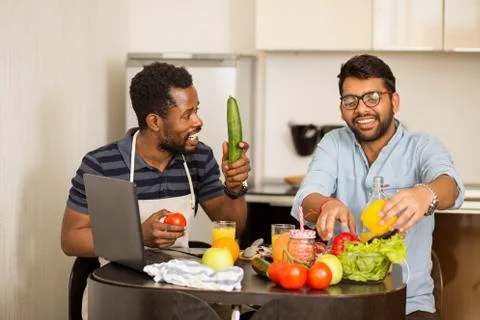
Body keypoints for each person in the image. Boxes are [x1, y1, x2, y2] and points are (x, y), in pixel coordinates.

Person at [290, 54, 464, 320]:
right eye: (350, 101)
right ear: (341, 108)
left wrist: (424, 194)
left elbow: (450, 187)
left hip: (409, 306)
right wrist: (326, 204)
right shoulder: (333, 143)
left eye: (372, 97)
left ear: (394, 101)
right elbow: (306, 197)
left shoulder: (422, 146)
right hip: (341, 303)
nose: (361, 109)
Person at [61, 61, 251, 257]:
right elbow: (71, 239)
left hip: (179, 276)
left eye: (196, 111)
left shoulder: (199, 157)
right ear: (154, 121)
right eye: (187, 115)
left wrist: (235, 187)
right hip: (121, 282)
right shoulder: (101, 164)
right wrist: (138, 236)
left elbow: (233, 228)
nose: (198, 121)